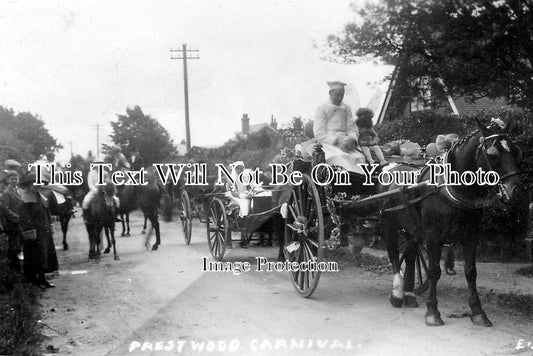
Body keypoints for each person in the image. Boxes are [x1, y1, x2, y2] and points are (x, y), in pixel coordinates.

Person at [311, 81, 366, 173]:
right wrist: (336, 142)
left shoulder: (347, 108)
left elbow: (351, 128)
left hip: (345, 140)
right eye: (337, 95)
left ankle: (359, 183)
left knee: (358, 157)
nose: (340, 97)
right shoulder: (322, 108)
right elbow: (319, 133)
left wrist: (352, 139)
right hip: (328, 143)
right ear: (330, 93)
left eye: (342, 95)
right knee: (339, 158)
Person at [17, 171, 58, 288]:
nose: (36, 185)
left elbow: (46, 212)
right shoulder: (25, 198)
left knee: (44, 256)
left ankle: (42, 278)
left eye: (37, 183)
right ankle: (34, 281)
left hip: (44, 231)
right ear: (28, 184)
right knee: (34, 256)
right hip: (34, 232)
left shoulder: (40, 196)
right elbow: (24, 217)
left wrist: (50, 224)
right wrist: (29, 229)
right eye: (33, 183)